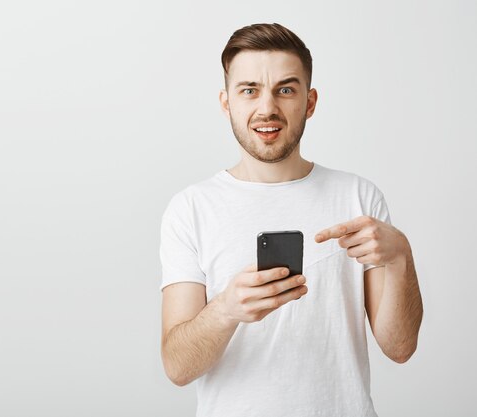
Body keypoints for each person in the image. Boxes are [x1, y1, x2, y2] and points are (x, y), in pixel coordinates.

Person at [158, 23, 423, 417]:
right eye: (249, 90)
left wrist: (401, 257)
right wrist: (227, 308)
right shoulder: (191, 208)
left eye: (285, 89)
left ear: (310, 102)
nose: (267, 108)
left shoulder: (359, 198)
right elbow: (178, 368)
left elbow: (399, 348)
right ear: (226, 102)